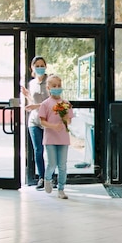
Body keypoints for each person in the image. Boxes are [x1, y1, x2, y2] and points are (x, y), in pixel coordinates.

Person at [38, 74, 74, 200]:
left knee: (62, 165)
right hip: (50, 138)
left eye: (59, 86)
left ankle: (61, 189)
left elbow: (69, 121)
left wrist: (64, 117)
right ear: (48, 87)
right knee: (52, 164)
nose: (57, 88)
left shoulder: (66, 104)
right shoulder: (45, 104)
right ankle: (48, 179)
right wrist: (53, 126)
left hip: (63, 138)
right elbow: (42, 121)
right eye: (54, 86)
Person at [21, 56, 50, 190]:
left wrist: (35, 106)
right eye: (36, 66)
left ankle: (50, 178)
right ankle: (42, 178)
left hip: (48, 120)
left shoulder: (50, 81)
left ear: (45, 66)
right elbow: (33, 102)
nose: (39, 68)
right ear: (31, 68)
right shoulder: (31, 83)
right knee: (38, 150)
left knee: (50, 151)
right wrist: (27, 96)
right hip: (34, 120)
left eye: (41, 65)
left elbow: (52, 102)